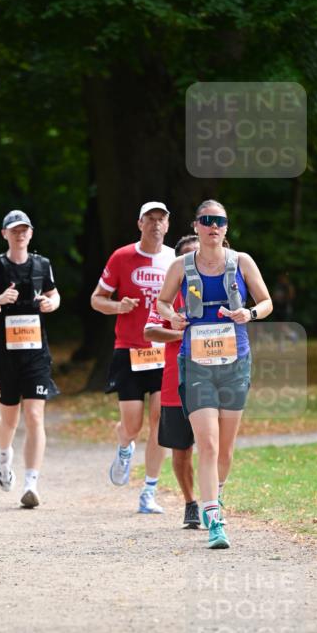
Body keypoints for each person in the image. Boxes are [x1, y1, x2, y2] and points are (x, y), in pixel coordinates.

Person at [157, 199, 273, 549]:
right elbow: (161, 302)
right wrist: (172, 316)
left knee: (224, 448)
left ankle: (216, 494)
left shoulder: (243, 262)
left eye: (219, 221)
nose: (213, 226)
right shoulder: (181, 265)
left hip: (235, 361)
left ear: (226, 227)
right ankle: (215, 520)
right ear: (196, 226)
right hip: (196, 363)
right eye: (206, 220)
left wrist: (249, 315)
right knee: (206, 443)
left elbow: (266, 301)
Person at [91, 201, 175, 513]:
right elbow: (97, 300)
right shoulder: (122, 257)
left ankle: (148, 492)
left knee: (160, 420)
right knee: (132, 424)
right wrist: (118, 306)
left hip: (163, 350)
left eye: (161, 219)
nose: (156, 224)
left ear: (167, 225)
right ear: (139, 223)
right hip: (129, 349)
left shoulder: (175, 260)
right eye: (150, 219)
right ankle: (125, 447)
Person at [0, 210, 60, 509]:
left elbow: (54, 295)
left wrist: (51, 303)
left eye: (24, 229)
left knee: (35, 416)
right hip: (5, 354)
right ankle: (4, 457)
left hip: (36, 354)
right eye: (14, 230)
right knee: (10, 419)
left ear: (31, 233)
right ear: (5, 234)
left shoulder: (42, 265)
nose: (20, 234)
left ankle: (31, 483)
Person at [144, 235, 201, 529]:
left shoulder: (219, 289)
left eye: (198, 254)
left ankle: (215, 500)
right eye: (187, 256)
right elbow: (150, 331)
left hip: (214, 378)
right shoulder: (168, 296)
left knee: (214, 445)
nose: (194, 261)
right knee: (181, 449)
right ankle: (191, 503)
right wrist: (181, 334)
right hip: (175, 381)